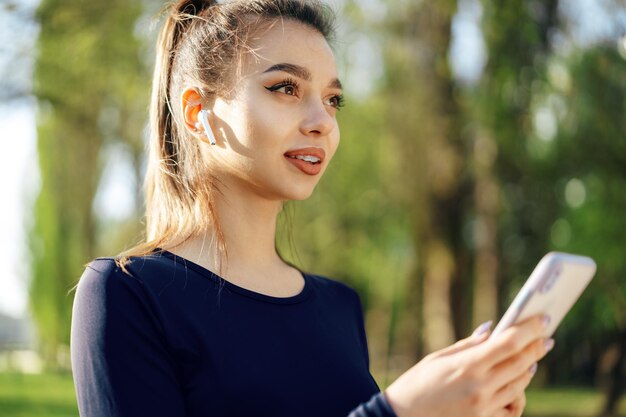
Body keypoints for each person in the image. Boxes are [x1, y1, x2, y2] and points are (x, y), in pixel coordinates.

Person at [70, 1, 553, 416]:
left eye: (333, 99)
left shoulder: (340, 307)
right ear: (199, 113)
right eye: (285, 88)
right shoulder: (127, 294)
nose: (322, 121)